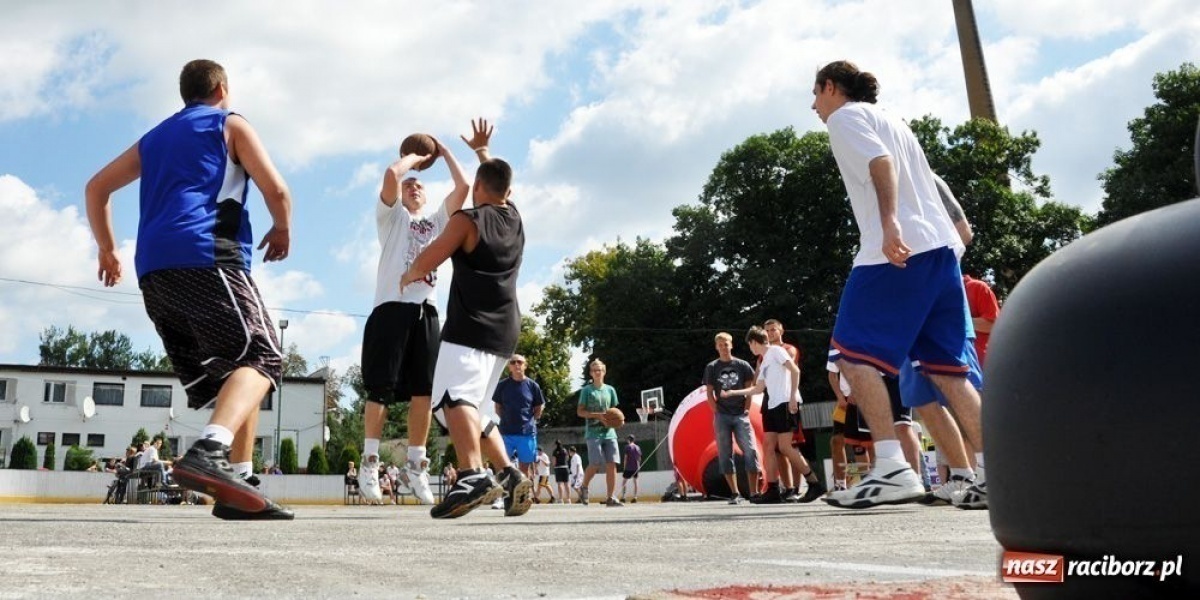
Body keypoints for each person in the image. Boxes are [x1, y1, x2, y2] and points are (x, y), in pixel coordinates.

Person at [85, 59, 293, 520]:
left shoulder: (155, 137)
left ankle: (238, 482)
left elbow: (96, 187)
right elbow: (276, 190)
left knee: (234, 377)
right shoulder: (229, 122)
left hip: (153, 271)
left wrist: (107, 249)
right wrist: (282, 228)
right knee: (265, 357)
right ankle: (210, 450)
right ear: (222, 88)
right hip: (205, 255)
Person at [811, 60, 985, 509]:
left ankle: (890, 467)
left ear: (832, 87)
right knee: (948, 370)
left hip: (897, 252)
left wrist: (888, 225)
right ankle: (995, 475)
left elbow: (879, 164)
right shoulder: (895, 121)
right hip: (941, 252)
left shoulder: (846, 118)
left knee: (850, 354)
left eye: (816, 95)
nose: (814, 106)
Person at [400, 131, 533, 519]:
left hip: (470, 328)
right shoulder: (515, 219)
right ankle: (509, 475)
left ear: (476, 187)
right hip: (505, 330)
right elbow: (496, 182)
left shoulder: (466, 221)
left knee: (452, 399)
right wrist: (482, 153)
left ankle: (473, 475)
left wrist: (410, 272)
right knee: (473, 410)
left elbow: (431, 257)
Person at [357, 125, 473, 507]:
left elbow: (464, 187)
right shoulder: (391, 219)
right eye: (410, 185)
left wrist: (443, 151)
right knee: (381, 389)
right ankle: (371, 462)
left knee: (424, 392)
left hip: (427, 312)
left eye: (420, 185)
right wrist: (415, 160)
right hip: (391, 307)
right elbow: (392, 175)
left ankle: (415, 465)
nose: (414, 186)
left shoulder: (440, 221)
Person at [722, 327, 824, 504]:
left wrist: (793, 396)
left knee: (785, 447)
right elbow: (758, 388)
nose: (751, 350)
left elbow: (795, 370)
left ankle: (814, 483)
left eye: (750, 345)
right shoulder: (764, 361)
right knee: (769, 446)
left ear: (754, 342)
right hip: (771, 405)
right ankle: (773, 489)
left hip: (785, 402)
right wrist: (733, 393)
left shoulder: (776, 351)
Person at [703, 332, 759, 504]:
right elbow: (710, 392)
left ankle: (754, 492)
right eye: (720, 345)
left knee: (751, 451)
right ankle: (735, 493)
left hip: (740, 414)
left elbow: (750, 389)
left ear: (731, 345)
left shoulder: (742, 365)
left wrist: (747, 409)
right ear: (716, 347)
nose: (723, 347)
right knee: (725, 453)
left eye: (726, 344)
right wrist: (716, 411)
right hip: (722, 415)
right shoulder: (712, 367)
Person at [492, 354, 545, 480]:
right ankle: (502, 496)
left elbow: (539, 406)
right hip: (506, 433)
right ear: (509, 367)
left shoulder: (533, 386)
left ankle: (523, 497)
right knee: (501, 467)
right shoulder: (502, 385)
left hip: (527, 433)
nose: (517, 364)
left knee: (524, 468)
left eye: (520, 362)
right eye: (513, 362)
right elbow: (497, 407)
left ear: (525, 366)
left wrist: (531, 421)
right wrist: (506, 419)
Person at [577, 359, 622, 507]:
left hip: (609, 433)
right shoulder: (587, 391)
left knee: (612, 464)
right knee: (595, 463)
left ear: (604, 372)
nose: (597, 372)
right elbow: (580, 412)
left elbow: (614, 412)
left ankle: (610, 497)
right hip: (593, 432)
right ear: (591, 373)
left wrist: (618, 420)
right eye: (594, 370)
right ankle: (583, 486)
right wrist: (597, 416)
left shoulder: (610, 390)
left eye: (600, 370)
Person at [619, 436, 642, 503]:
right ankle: (635, 497)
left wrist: (624, 467)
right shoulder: (637, 447)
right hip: (635, 467)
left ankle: (623, 497)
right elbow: (639, 458)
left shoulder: (627, 447)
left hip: (628, 467)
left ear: (629, 440)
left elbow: (626, 458)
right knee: (635, 482)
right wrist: (639, 465)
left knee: (624, 482)